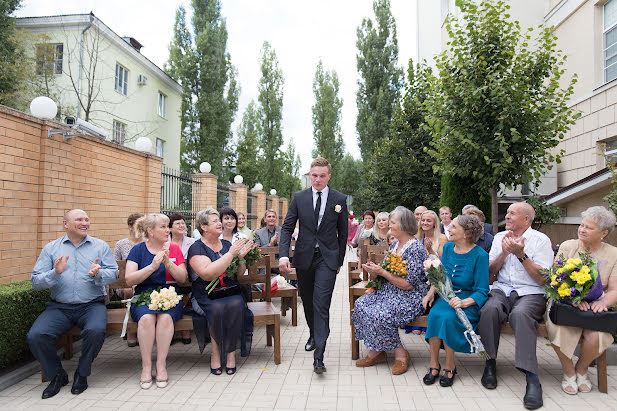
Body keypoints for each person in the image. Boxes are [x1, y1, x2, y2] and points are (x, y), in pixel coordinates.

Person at [27, 209, 118, 399]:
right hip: (59, 307)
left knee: (95, 331)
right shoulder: (51, 248)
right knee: (36, 335)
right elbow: (35, 281)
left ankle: (82, 373)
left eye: (87, 219)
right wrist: (55, 273)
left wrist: (98, 274)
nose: (85, 222)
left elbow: (114, 273)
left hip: (91, 305)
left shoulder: (99, 246)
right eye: (79, 219)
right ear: (65, 224)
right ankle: (57, 375)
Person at [477, 202, 553, 410]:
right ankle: (489, 363)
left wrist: (521, 255)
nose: (507, 216)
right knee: (488, 310)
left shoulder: (540, 241)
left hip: (531, 292)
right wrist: (503, 253)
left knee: (520, 315)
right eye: (507, 213)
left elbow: (542, 280)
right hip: (502, 289)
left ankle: (532, 377)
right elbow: (490, 273)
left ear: (526, 219)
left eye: (512, 213)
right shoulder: (500, 238)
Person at [278, 157, 348, 374]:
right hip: (304, 257)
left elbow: (343, 233)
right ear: (310, 175)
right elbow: (287, 227)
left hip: (327, 258)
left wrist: (338, 261)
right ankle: (313, 333)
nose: (317, 179)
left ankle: (319, 356)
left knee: (321, 303)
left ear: (329, 176)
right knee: (308, 301)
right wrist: (283, 255)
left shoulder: (339, 199)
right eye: (314, 175)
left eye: (322, 176)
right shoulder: (299, 198)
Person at [546, 206, 617, 395]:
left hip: (595, 305)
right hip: (565, 303)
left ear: (603, 233)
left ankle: (582, 369)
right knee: (560, 329)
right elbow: (555, 279)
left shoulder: (614, 254)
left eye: (589, 227)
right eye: (582, 225)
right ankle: (568, 372)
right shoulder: (568, 246)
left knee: (596, 336)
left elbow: (614, 289)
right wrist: (572, 299)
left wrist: (603, 303)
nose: (582, 229)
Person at [352, 206, 428, 375]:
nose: (389, 226)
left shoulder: (415, 248)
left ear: (403, 225)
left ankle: (401, 354)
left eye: (393, 223)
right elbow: (385, 269)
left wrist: (382, 272)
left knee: (380, 313)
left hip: (410, 296)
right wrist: (374, 270)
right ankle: (377, 350)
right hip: (391, 291)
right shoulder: (395, 245)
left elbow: (409, 284)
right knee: (361, 305)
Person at [423, 215, 489, 387]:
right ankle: (433, 364)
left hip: (466, 301)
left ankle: (450, 365)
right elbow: (441, 276)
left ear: (466, 233)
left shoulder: (480, 255)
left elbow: (482, 290)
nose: (449, 229)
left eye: (453, 227)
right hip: (446, 297)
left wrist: (464, 302)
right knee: (435, 315)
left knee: (448, 318)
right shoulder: (449, 247)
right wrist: (431, 293)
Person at [188, 208, 255, 375]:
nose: (220, 223)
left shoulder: (226, 245)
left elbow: (238, 275)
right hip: (206, 294)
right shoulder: (197, 248)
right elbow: (207, 274)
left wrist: (240, 259)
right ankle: (216, 353)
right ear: (203, 226)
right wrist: (231, 254)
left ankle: (231, 354)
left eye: (219, 220)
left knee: (236, 304)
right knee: (218, 308)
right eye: (215, 221)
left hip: (229, 291)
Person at [125, 214, 188, 389]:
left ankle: (161, 365)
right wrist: (152, 266)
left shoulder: (174, 249)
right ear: (150, 231)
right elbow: (129, 279)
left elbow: (183, 278)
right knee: (147, 319)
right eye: (163, 227)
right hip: (144, 294)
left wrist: (168, 263)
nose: (168, 230)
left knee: (165, 318)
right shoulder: (138, 250)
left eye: (168, 226)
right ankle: (146, 366)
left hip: (170, 294)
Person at [114, 212, 144, 347]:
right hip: (127, 283)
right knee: (128, 291)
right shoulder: (121, 244)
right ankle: (131, 330)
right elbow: (116, 267)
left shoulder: (148, 243)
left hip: (144, 281)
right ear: (131, 226)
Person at [168, 212, 196, 345]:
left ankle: (185, 329)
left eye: (183, 223)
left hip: (188, 280)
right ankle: (172, 329)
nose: (181, 225)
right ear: (170, 228)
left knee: (187, 290)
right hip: (170, 281)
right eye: (177, 223)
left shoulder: (192, 242)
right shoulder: (165, 243)